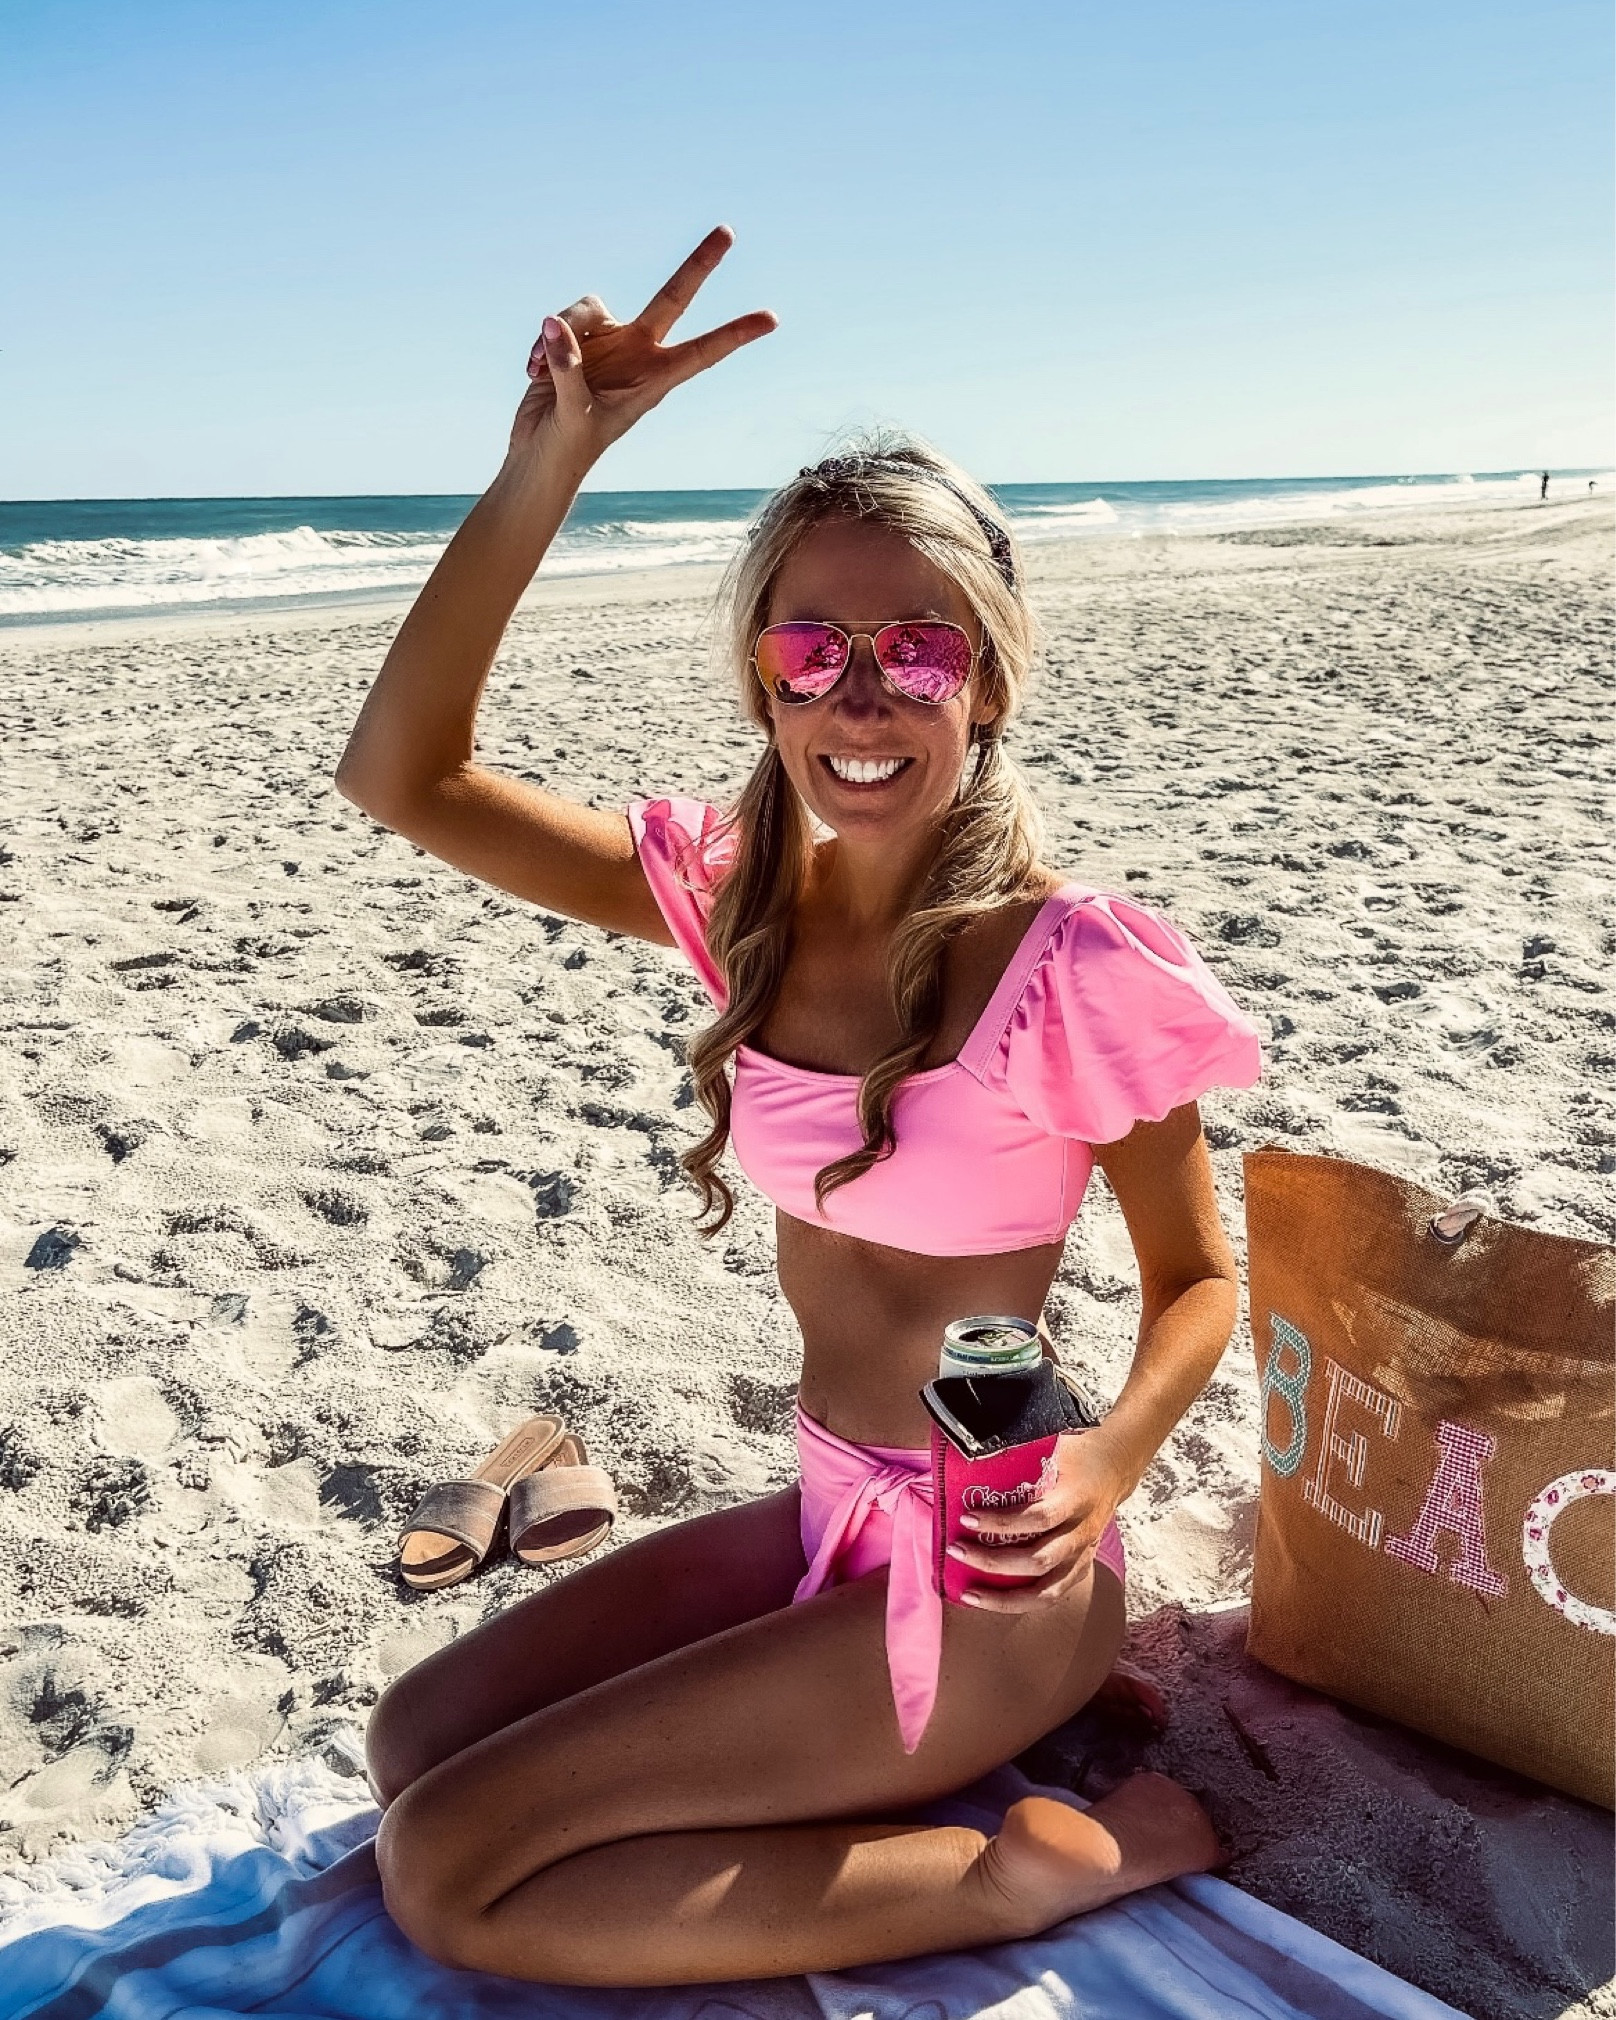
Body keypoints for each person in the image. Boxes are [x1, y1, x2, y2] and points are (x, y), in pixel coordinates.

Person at [336, 227, 1263, 1986]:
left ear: (985, 682)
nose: (859, 699)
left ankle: (1023, 1870)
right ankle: (913, 1770)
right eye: (810, 650)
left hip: (988, 1570)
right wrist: (553, 458)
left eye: (916, 655)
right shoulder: (737, 902)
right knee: (415, 1745)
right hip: (829, 1508)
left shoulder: (1069, 969)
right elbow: (407, 773)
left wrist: (1108, 1460)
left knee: (447, 1875)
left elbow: (1201, 1284)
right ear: (758, 670)